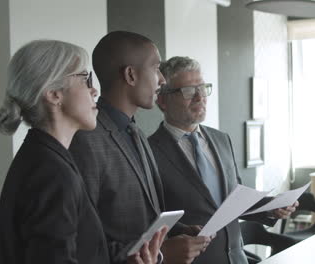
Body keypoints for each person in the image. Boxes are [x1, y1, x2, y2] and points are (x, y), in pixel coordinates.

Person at [0, 39, 165, 264]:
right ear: (54, 94)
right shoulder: (50, 173)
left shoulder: (47, 158)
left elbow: (84, 250)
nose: (94, 90)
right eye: (85, 79)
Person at [69, 31, 211, 264]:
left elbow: (143, 217)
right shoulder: (85, 140)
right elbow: (84, 242)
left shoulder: (136, 132)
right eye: (156, 68)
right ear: (131, 75)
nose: (162, 80)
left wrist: (177, 232)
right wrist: (162, 254)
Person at [148, 56, 298, 264]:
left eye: (203, 88)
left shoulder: (221, 139)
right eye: (189, 91)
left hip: (236, 258)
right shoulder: (148, 152)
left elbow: (234, 199)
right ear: (162, 100)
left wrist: (270, 207)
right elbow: (151, 219)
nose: (200, 97)